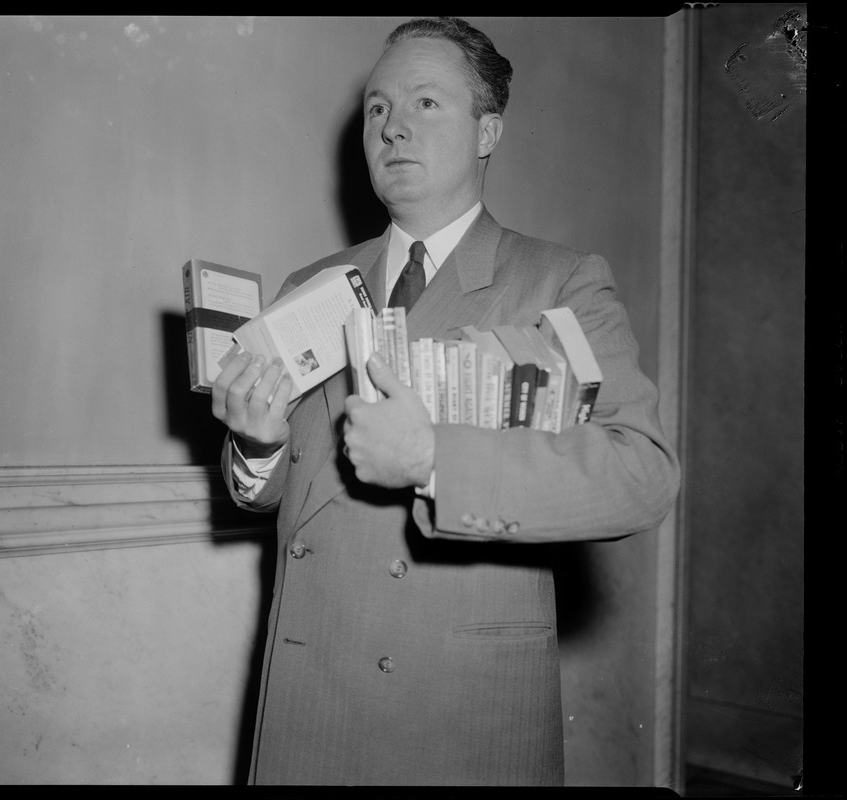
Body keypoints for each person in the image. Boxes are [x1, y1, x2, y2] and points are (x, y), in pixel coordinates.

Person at [210, 16, 680, 786]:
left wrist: (433, 457)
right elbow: (275, 489)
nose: (392, 126)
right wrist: (256, 447)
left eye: (425, 102)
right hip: (311, 691)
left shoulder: (557, 281)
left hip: (458, 705)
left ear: (488, 130)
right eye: (376, 108)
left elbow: (643, 475)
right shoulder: (309, 288)